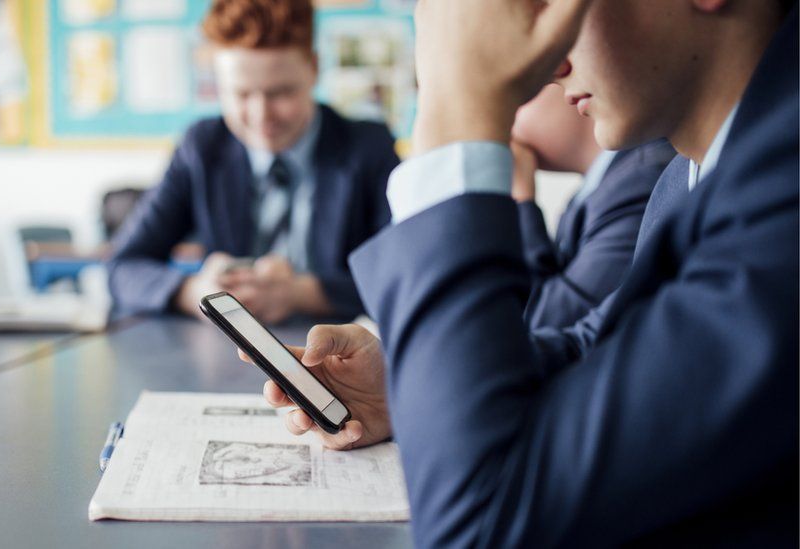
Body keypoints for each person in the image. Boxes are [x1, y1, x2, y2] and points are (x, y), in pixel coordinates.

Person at [248, 0, 799, 545]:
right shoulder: (691, 176)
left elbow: (482, 527)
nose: (553, 65)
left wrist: (459, 107)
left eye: (561, 7)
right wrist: (408, 384)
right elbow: (597, 349)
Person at [107, 0, 399, 324]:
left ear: (314, 68)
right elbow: (123, 267)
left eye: (281, 93)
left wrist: (301, 292)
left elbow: (404, 276)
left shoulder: (368, 148)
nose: (262, 116)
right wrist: (197, 294)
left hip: (339, 357)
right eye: (241, 94)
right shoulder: (203, 147)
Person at [511, 83, 674, 329]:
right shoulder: (587, 198)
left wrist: (519, 201)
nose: (503, 130)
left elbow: (542, 324)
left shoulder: (642, 180)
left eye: (512, 100)